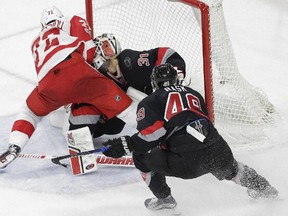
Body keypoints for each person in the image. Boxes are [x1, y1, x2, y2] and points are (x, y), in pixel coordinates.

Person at [101, 63, 279, 211]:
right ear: (176, 79)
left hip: (186, 162)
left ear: (154, 83)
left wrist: (126, 144)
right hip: (216, 148)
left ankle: (165, 201)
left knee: (140, 155)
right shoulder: (194, 94)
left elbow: (151, 138)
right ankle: (265, 188)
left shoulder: (151, 101)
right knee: (233, 169)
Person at [0, 6, 134, 169]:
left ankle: (14, 146)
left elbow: (45, 69)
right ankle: (154, 136)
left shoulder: (35, 42)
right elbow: (88, 52)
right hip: (77, 72)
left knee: (29, 112)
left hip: (49, 84)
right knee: (124, 107)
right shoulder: (70, 20)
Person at [85, 33, 187, 138]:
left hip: (170, 101)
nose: (106, 51)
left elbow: (167, 53)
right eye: (103, 47)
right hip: (152, 109)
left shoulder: (127, 60)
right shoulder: (104, 79)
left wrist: (176, 71)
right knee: (114, 125)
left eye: (107, 45)